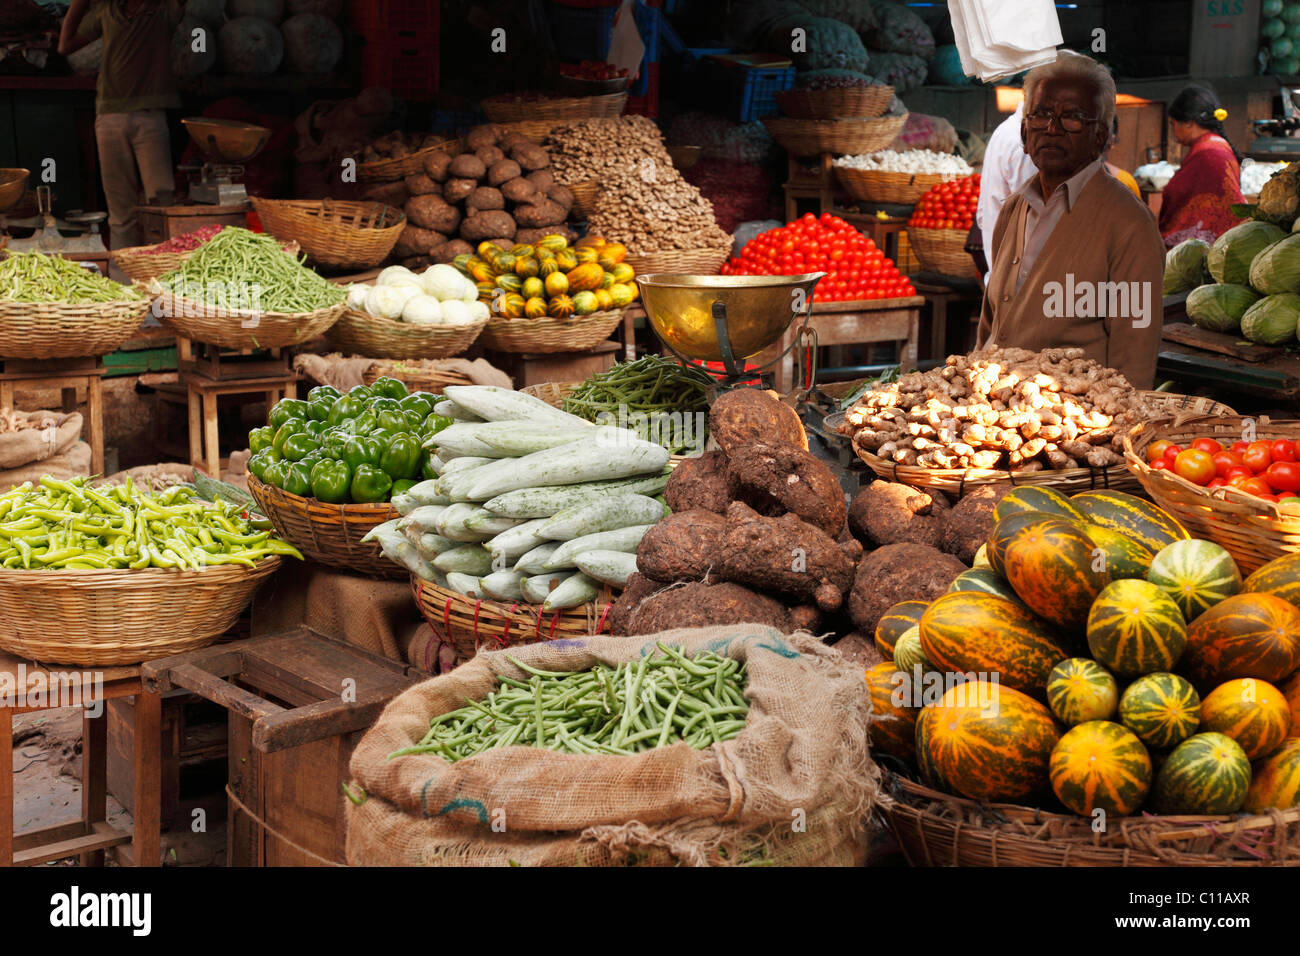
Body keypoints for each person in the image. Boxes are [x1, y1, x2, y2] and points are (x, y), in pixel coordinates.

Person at [976, 51, 1165, 388]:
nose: (1052, 128)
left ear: (1100, 136)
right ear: (1023, 131)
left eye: (1073, 117)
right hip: (992, 418)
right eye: (1041, 114)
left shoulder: (1130, 224)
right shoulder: (1014, 209)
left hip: (1071, 428)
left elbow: (1135, 358)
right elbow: (991, 330)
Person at [57, 0, 184, 250]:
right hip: (109, 116)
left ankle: (163, 273)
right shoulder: (108, 11)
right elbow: (65, 46)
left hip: (150, 116)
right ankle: (122, 281)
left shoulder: (163, 9)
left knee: (160, 208)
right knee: (120, 213)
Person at [1158, 85, 1245, 247]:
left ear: (1189, 123)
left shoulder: (1207, 153)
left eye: (1173, 124)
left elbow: (1177, 193)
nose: (1173, 130)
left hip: (1213, 243)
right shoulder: (1215, 146)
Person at [976, 100, 1038, 281]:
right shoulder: (1024, 146)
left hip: (1004, 280)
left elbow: (982, 215)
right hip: (1021, 285)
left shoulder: (1003, 131)